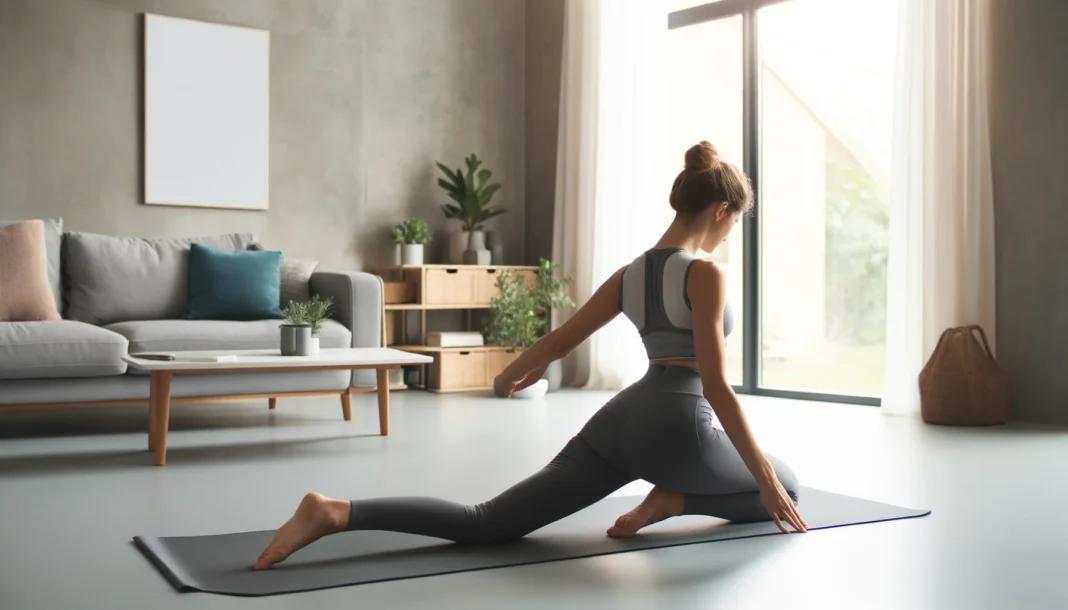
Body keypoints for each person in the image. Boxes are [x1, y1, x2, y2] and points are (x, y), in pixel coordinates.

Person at [253, 141, 808, 571]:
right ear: (719, 208)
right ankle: (675, 500)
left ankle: (336, 512)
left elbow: (562, 338)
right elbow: (714, 385)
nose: (732, 230)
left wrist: (519, 368)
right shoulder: (707, 273)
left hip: (621, 422)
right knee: (785, 487)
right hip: (683, 427)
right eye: (736, 220)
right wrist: (762, 475)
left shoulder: (630, 273)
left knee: (486, 521)